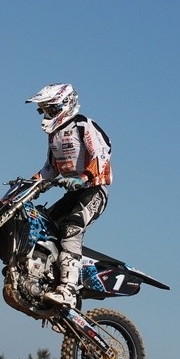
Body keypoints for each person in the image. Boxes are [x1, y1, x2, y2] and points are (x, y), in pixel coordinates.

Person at [26, 83, 112, 307]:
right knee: (43, 225)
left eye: (50, 109)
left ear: (66, 104)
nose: (47, 114)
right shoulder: (54, 135)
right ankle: (47, 278)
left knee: (71, 227)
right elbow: (50, 169)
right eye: (44, 110)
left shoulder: (83, 124)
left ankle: (68, 289)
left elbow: (102, 155)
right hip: (72, 193)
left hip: (94, 190)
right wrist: (28, 186)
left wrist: (83, 178)